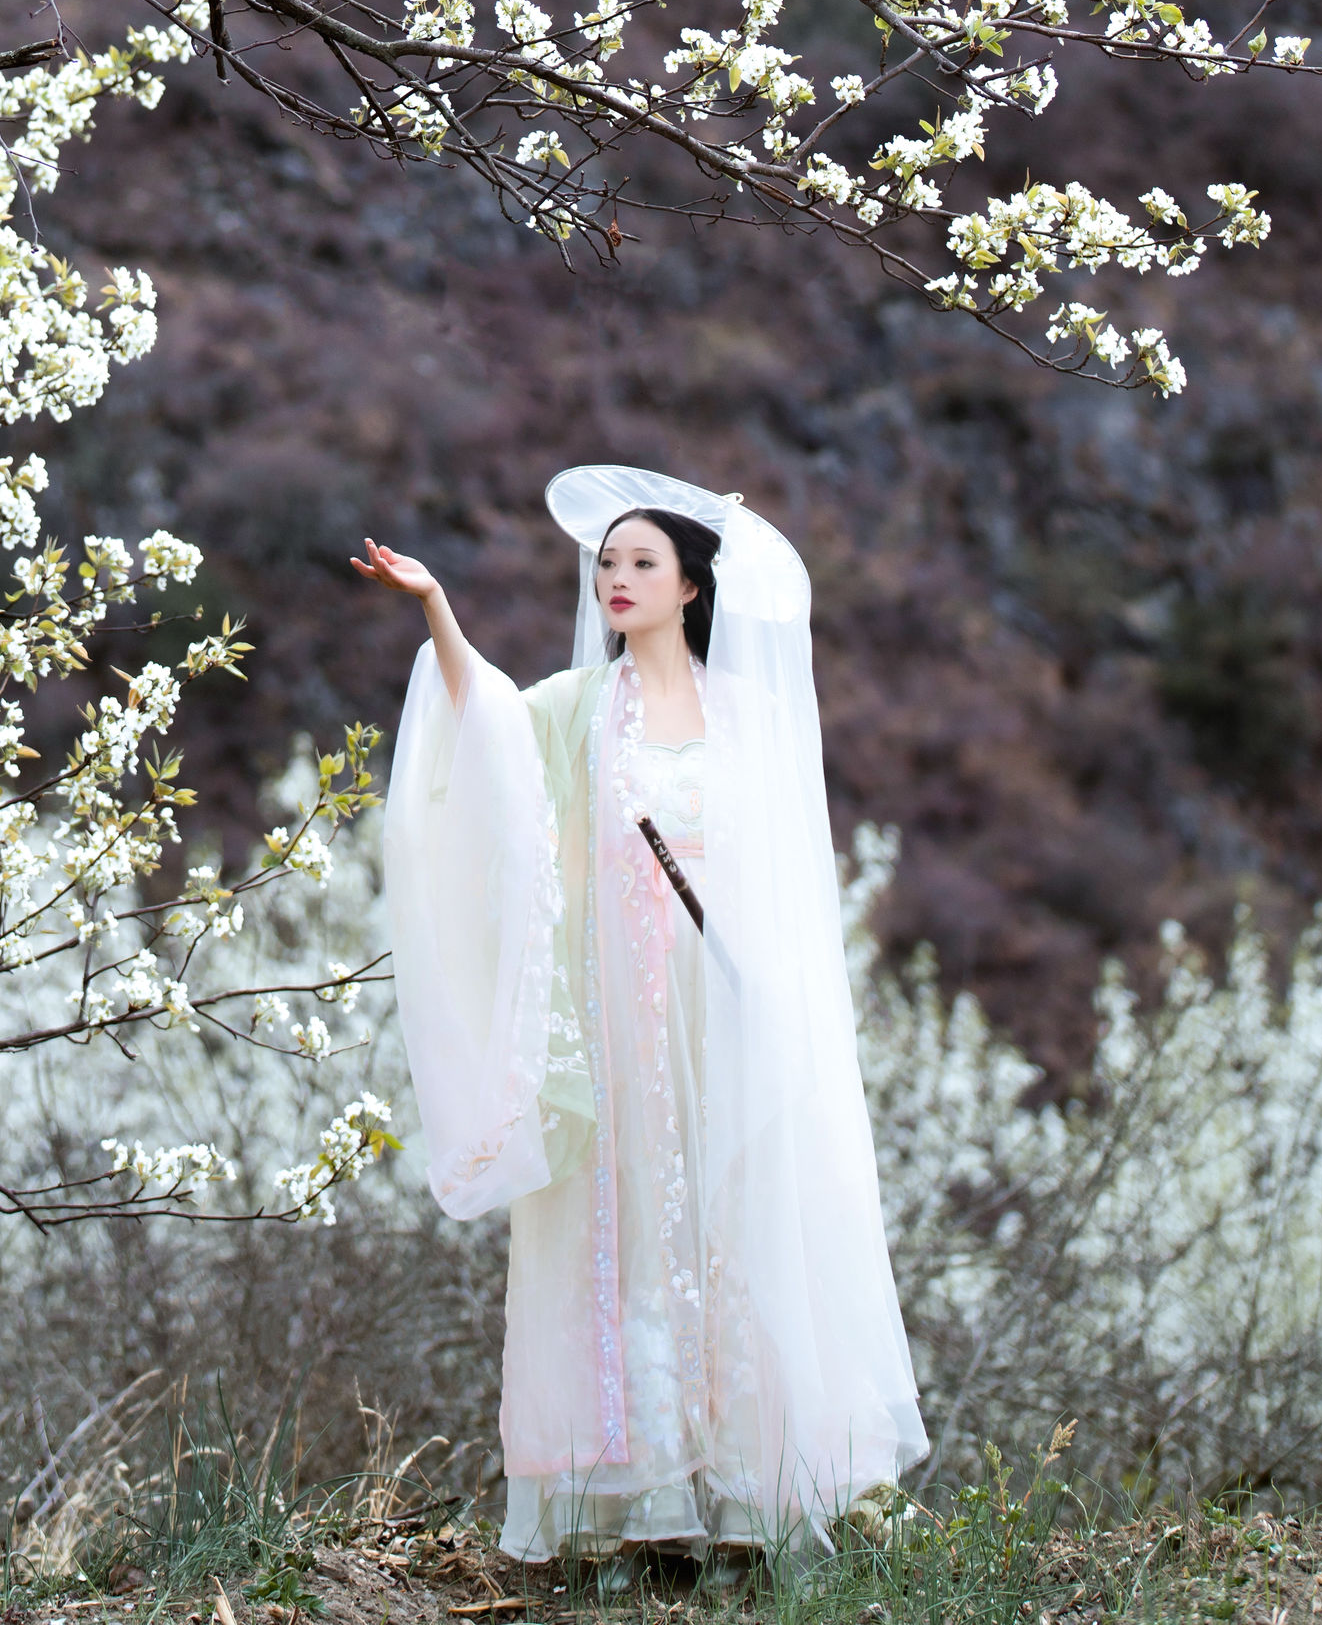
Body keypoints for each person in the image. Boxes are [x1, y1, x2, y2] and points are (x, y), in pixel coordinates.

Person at [356, 464, 925, 1561]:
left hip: (728, 1018)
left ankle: (760, 1482)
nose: (616, 579)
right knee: (629, 1235)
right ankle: (646, 1493)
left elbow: (787, 882)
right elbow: (488, 742)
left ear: (691, 589)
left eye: (641, 563)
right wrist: (437, 609)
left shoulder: (750, 716)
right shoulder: (577, 710)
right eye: (606, 563)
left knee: (740, 1228)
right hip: (616, 1027)